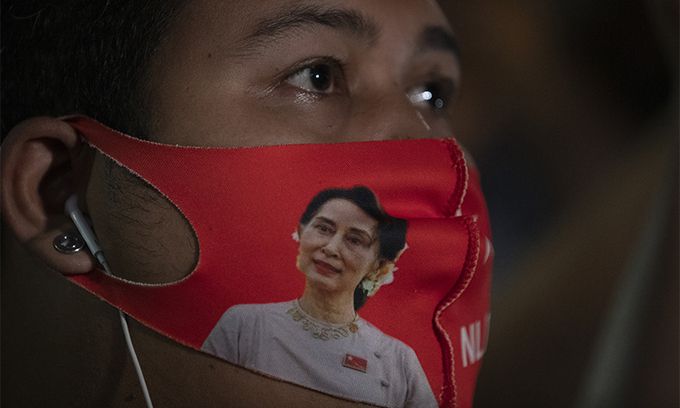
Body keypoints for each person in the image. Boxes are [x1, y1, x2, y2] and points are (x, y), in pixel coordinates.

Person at [1, 0, 471, 407]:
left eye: (432, 95)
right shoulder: (245, 325)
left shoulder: (399, 360)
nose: (425, 143)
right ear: (56, 191)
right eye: (318, 76)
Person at [203, 186, 437, 407]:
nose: (331, 248)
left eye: (354, 240)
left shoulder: (398, 360)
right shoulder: (244, 326)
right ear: (301, 232)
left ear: (379, 267)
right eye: (324, 229)